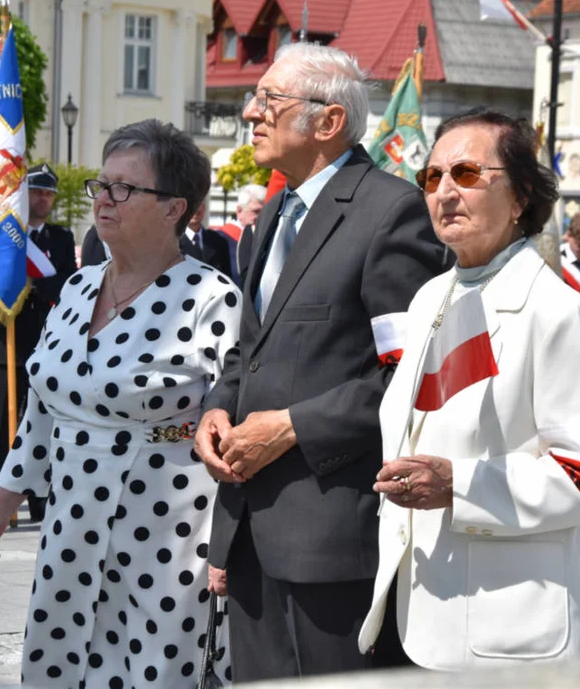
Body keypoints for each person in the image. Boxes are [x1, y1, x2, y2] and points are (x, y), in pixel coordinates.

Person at [193, 42, 446, 682]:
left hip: (331, 537)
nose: (252, 112)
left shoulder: (391, 213)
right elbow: (252, 350)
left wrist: (292, 427)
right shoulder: (272, 214)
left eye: (269, 100)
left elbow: (407, 377)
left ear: (327, 121)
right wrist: (218, 407)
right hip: (250, 528)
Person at [0, 120, 240, 687]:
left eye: (125, 188)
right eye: (101, 184)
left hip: (168, 538)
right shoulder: (78, 287)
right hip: (70, 527)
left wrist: (234, 547)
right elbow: (43, 408)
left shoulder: (212, 298)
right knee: (63, 667)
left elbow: (236, 429)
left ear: (174, 208)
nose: (104, 199)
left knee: (155, 672)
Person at [358, 109, 580, 667]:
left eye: (468, 174)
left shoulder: (561, 314)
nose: (445, 193)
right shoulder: (431, 297)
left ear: (522, 197)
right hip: (425, 612)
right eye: (432, 178)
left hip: (517, 625)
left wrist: (459, 485)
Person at [0, 164, 77, 516]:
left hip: (45, 344)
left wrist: (33, 285)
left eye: (48, 193)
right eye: (36, 192)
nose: (43, 198)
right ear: (23, 195)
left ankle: (38, 498)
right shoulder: (4, 236)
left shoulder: (60, 238)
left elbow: (67, 283)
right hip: (1, 343)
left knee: (40, 423)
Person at [221, 184, 265, 285]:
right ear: (239, 211)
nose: (261, 216)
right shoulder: (221, 239)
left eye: (264, 211)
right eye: (256, 211)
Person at [181, 202, 233, 278]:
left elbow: (226, 277)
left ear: (204, 208)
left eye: (199, 203)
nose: (195, 209)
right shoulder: (172, 243)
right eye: (191, 203)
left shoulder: (219, 242)